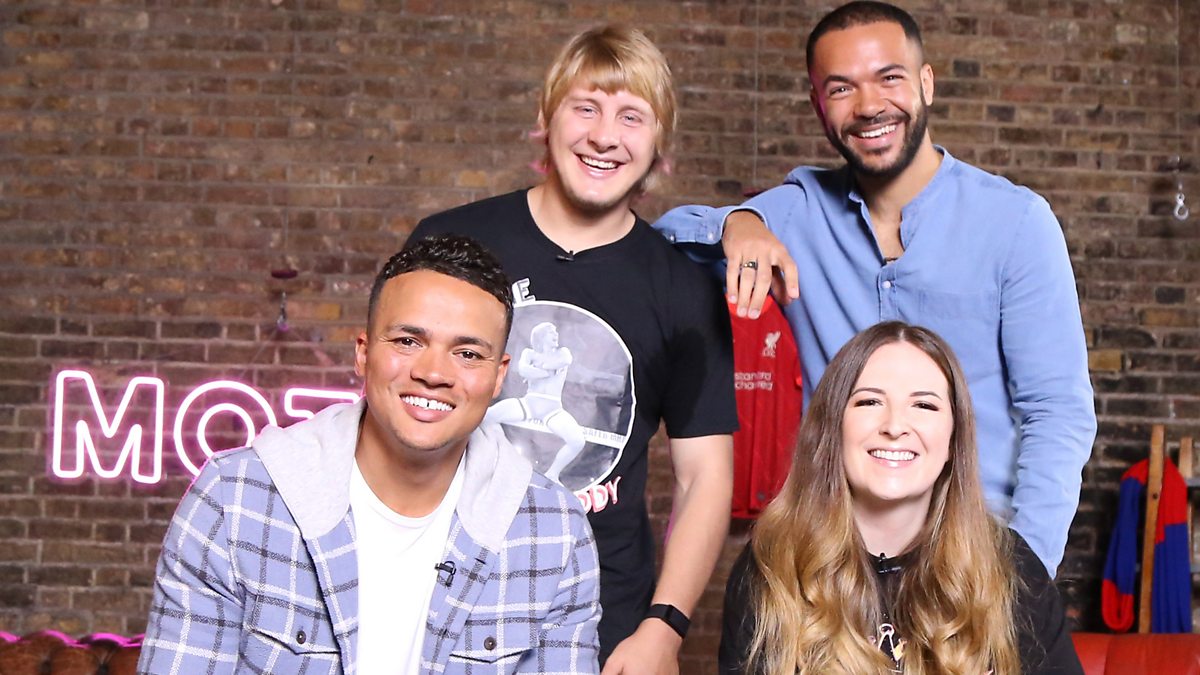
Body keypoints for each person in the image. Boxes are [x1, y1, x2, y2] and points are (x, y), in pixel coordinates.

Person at [653, 0, 1095, 573]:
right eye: (841, 88)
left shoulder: (1015, 223)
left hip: (976, 558)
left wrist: (1026, 570)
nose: (868, 106)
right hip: (835, 561)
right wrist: (736, 223)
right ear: (818, 105)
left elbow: (1056, 411)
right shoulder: (797, 214)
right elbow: (654, 248)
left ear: (926, 83)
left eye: (889, 78)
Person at [411, 24, 738, 673]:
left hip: (598, 618)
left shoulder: (683, 289)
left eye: (631, 116)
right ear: (547, 119)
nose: (604, 136)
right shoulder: (450, 244)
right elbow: (388, 415)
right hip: (437, 592)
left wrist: (664, 627)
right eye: (585, 107)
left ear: (659, 142)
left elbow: (706, 477)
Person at [139, 235, 601, 674]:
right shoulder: (234, 500)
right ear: (363, 353)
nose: (433, 373)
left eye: (467, 353)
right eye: (408, 342)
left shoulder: (554, 531)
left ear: (498, 377)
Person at [720, 321, 1083, 675]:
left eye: (924, 406)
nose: (894, 426)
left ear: (953, 440)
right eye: (869, 401)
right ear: (833, 428)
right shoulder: (772, 565)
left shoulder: (1011, 568)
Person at [484, 321, 588, 483]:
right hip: (528, 404)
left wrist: (537, 370)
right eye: (551, 332)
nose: (556, 335)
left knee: (577, 441)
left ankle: (552, 474)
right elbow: (523, 370)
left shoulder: (563, 352)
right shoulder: (529, 353)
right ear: (541, 336)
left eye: (556, 332)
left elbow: (562, 361)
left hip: (553, 410)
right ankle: (496, 456)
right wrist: (547, 372)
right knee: (486, 417)